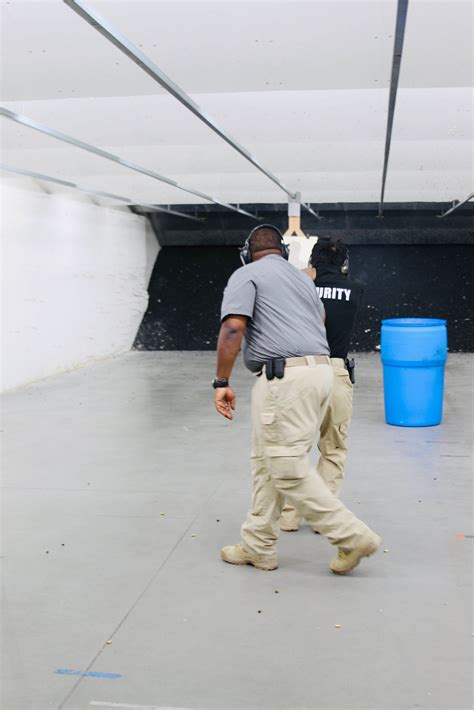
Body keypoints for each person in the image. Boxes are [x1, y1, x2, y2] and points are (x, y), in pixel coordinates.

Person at [213, 224, 380, 575]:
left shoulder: (246, 275)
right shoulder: (302, 280)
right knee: (266, 462)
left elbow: (232, 327)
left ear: (247, 253)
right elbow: (318, 318)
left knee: (287, 467)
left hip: (284, 379)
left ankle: (351, 536)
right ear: (284, 252)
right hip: (320, 373)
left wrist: (222, 381)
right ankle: (258, 545)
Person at [280, 238, 363, 532]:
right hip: (337, 373)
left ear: (313, 261)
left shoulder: (300, 284)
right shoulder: (354, 288)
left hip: (302, 372)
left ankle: (289, 516)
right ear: (344, 262)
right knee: (333, 448)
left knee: (295, 447)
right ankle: (322, 518)